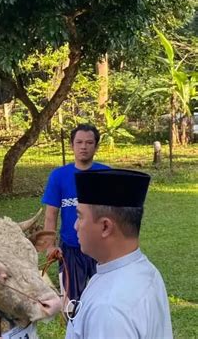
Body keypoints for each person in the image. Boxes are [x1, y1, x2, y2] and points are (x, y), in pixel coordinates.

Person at [66, 169, 172, 338]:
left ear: (105, 227)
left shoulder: (109, 308)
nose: (75, 226)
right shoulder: (144, 270)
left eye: (80, 217)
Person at [42, 124, 110, 303]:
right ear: (72, 145)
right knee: (72, 304)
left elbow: (116, 214)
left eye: (89, 142)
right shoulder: (59, 176)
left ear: (96, 146)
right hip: (70, 250)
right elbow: (51, 215)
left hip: (101, 249)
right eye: (79, 142)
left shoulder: (106, 175)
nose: (84, 146)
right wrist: (50, 245)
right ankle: (75, 330)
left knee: (105, 300)